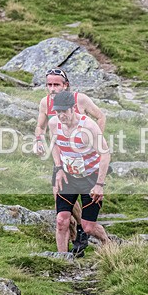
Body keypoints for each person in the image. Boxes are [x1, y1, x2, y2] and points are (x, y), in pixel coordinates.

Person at [34, 68, 106, 256]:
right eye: (49, 84)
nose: (52, 88)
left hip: (88, 166)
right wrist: (39, 141)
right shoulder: (47, 106)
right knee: (62, 215)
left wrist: (93, 142)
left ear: (65, 85)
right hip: (64, 165)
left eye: (56, 84)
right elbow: (44, 130)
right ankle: (68, 251)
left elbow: (101, 118)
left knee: (87, 224)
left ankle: (89, 233)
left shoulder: (81, 102)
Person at [49, 91, 113, 254]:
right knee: (61, 220)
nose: (61, 115)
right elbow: (54, 144)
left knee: (88, 227)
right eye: (58, 111)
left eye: (64, 111)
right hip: (68, 177)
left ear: (73, 108)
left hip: (90, 178)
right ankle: (63, 259)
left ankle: (107, 242)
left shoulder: (88, 127)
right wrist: (59, 168)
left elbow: (105, 154)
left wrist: (99, 184)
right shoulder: (54, 123)